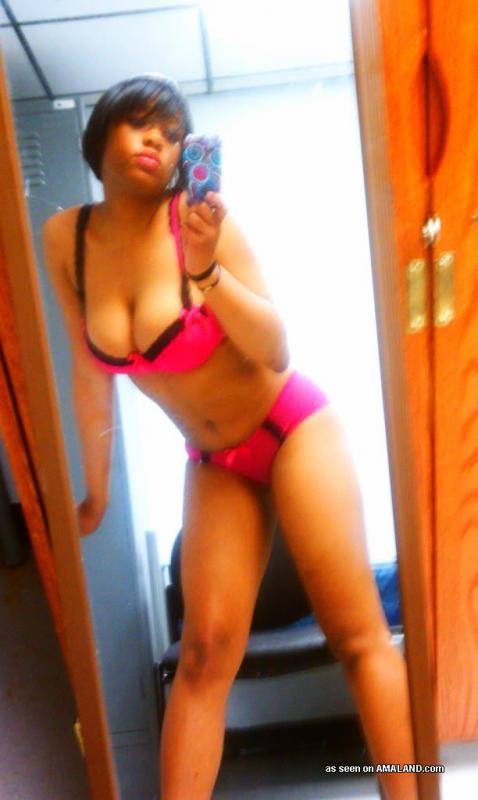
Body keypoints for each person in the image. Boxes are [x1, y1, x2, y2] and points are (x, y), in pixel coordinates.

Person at [41, 74, 418, 800]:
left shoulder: (198, 221)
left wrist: (206, 269)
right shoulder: (67, 239)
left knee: (356, 636)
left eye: (172, 133)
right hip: (214, 459)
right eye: (140, 121)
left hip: (292, 426)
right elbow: (90, 374)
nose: (157, 139)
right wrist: (95, 492)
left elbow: (276, 350)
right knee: (203, 656)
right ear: (102, 131)